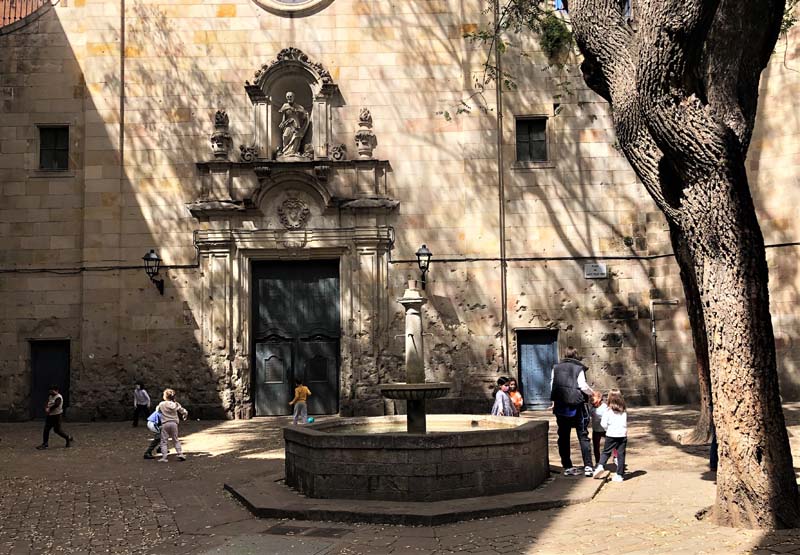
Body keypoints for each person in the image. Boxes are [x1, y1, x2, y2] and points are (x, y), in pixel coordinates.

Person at [550, 347, 595, 477]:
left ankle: (567, 466)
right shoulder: (579, 368)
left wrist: (553, 400)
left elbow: (552, 384)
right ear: (576, 355)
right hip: (577, 406)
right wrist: (592, 393)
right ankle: (588, 466)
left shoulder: (556, 367)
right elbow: (582, 385)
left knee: (563, 437)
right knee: (583, 436)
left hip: (560, 406)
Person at [593, 389, 628, 482]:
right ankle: (620, 475)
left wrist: (607, 430)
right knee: (621, 455)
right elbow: (624, 423)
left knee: (606, 452)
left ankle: (600, 465)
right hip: (622, 435)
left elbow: (603, 423)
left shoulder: (608, 411)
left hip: (611, 434)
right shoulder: (623, 410)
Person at [36, 385, 73, 450]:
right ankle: (45, 444)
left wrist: (49, 409)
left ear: (56, 391)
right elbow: (48, 403)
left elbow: (56, 405)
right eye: (50, 391)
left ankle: (68, 438)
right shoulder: (50, 396)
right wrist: (46, 407)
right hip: (50, 415)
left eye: (52, 391)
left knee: (57, 430)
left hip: (57, 416)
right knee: (46, 429)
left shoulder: (59, 397)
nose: (51, 392)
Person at [156, 389, 188, 463]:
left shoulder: (161, 404)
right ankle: (180, 453)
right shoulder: (176, 404)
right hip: (174, 423)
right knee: (175, 439)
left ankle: (164, 457)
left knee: (164, 441)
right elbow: (184, 411)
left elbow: (157, 411)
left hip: (165, 423)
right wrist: (185, 415)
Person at [277, 91, 309, 157]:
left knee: (296, 137)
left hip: (296, 125)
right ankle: (286, 151)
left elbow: (304, 115)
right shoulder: (285, 106)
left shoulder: (298, 106)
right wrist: (282, 123)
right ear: (286, 98)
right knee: (285, 136)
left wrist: (303, 115)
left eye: (291, 96)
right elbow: (283, 116)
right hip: (288, 125)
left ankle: (294, 151)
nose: (289, 98)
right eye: (288, 97)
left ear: (294, 97)